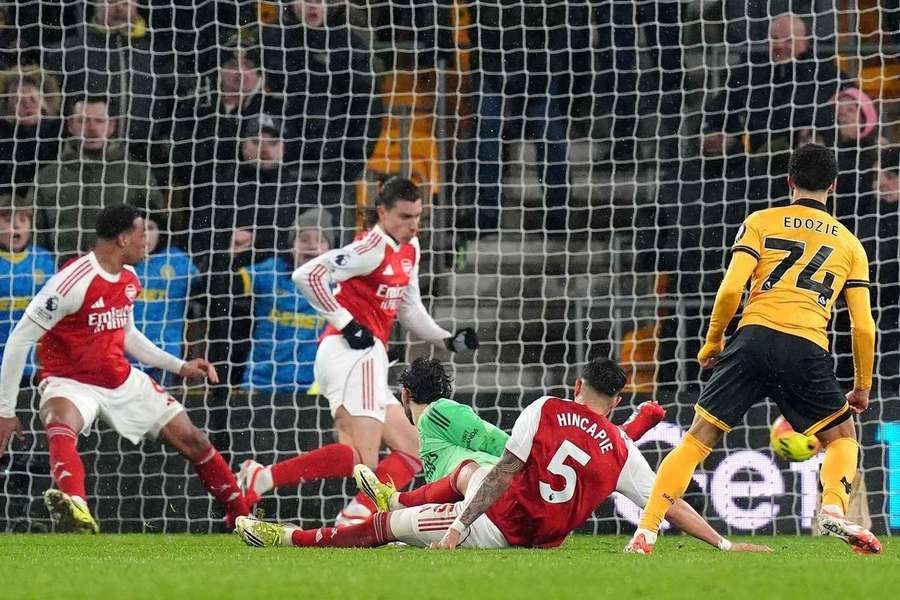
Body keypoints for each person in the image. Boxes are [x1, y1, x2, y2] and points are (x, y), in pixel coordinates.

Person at [624, 144, 881, 555]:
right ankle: (832, 507)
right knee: (843, 439)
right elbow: (863, 327)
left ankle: (647, 530)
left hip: (753, 338)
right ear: (834, 185)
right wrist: (862, 387)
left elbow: (730, 290)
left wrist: (712, 342)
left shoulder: (761, 221)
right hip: (806, 346)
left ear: (790, 181)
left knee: (695, 441)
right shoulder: (851, 246)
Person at [234, 358, 771, 553]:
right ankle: (399, 500)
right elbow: (667, 501)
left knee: (388, 525)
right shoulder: (623, 446)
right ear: (619, 399)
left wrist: (458, 528)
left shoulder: (546, 408)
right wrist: (723, 543)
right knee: (466, 475)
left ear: (577, 383)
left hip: (497, 524)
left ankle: (290, 537)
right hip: (545, 539)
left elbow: (508, 468)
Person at [0, 204, 249, 532]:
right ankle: (76, 504)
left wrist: (179, 365)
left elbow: (128, 334)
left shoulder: (129, 278)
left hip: (120, 377)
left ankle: (242, 514)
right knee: (61, 422)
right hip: (69, 380)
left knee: (195, 440)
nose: (146, 240)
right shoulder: (71, 282)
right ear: (121, 239)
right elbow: (19, 339)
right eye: (141, 232)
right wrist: (5, 410)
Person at [292, 177, 479, 526]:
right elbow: (306, 275)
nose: (413, 225)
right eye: (405, 217)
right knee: (363, 460)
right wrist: (346, 322)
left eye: (418, 216)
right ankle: (348, 519)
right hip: (348, 352)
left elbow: (409, 309)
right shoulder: (369, 249)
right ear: (382, 212)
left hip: (371, 356)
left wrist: (446, 339)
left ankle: (353, 517)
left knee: (413, 447)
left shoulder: (410, 249)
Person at [239, 356, 666, 505]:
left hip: (501, 487)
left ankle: (362, 511)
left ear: (405, 394)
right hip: (509, 488)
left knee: (390, 489)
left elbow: (494, 443)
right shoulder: (429, 422)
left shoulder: (440, 414)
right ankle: (377, 507)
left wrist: (525, 449)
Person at [701, 13, 842, 200]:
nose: (780, 45)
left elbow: (857, 106)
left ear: (806, 42)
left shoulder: (825, 71)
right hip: (760, 168)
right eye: (775, 39)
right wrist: (722, 135)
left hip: (810, 170)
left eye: (788, 40)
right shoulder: (751, 72)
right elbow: (719, 109)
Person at [31, 94, 164, 261]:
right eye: (83, 121)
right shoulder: (47, 176)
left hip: (122, 275)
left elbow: (156, 226)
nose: (92, 128)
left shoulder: (136, 174)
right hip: (62, 276)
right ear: (70, 126)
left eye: (99, 121)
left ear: (111, 126)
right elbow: (34, 235)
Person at [42, 0, 176, 163]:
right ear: (97, 5)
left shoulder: (157, 55)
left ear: (137, 7)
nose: (119, 8)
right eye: (111, 2)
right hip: (80, 160)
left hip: (143, 160)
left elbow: (171, 105)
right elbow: (50, 108)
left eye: (125, 3)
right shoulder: (67, 51)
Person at [131, 212, 200, 382]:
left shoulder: (178, 262)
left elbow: (201, 294)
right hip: (125, 355)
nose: (145, 235)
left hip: (163, 355)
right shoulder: (122, 262)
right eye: (139, 229)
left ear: (161, 231)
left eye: (151, 228)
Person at [0, 195, 56, 378]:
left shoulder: (44, 260)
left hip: (31, 362)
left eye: (22, 220)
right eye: (8, 220)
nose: (15, 227)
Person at [0, 65, 62, 197]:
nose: (26, 105)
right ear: (8, 107)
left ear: (45, 101)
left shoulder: (61, 134)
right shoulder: (4, 139)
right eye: (18, 101)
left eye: (32, 99)